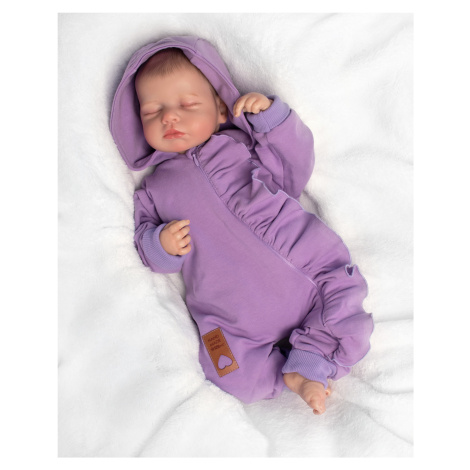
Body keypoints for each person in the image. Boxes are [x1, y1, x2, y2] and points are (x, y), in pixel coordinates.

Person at [110, 36, 374, 415]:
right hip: (231, 313)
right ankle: (286, 373)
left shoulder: (241, 146)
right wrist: (160, 244)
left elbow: (293, 165)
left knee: (348, 311)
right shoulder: (153, 190)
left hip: (305, 270)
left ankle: (309, 363)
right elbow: (144, 245)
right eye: (153, 111)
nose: (170, 117)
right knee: (226, 369)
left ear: (220, 108)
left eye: (187, 104)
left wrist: (269, 120)